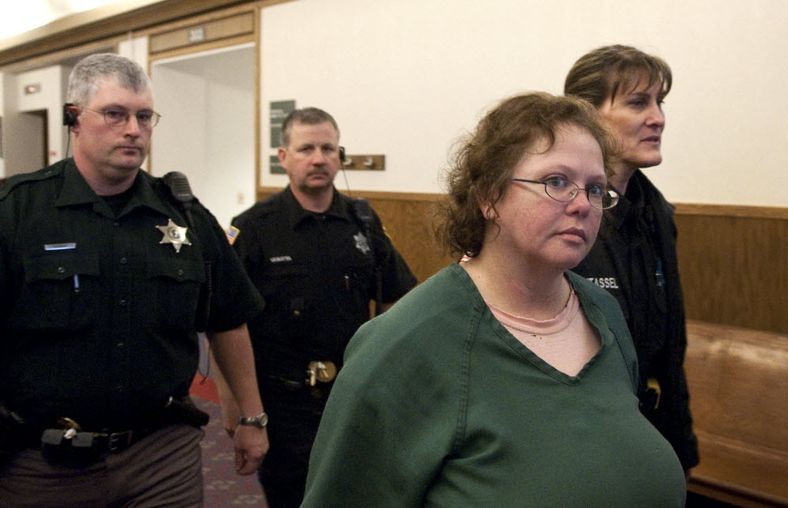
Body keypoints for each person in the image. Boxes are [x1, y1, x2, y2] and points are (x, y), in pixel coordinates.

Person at [302, 92, 686, 506]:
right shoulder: (404, 341)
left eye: (595, 189)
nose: (582, 205)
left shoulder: (603, 313)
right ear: (488, 195)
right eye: (556, 182)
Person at [0, 53, 268, 507]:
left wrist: (252, 417)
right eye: (115, 114)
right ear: (74, 120)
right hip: (43, 462)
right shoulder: (17, 211)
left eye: (144, 116)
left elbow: (229, 319)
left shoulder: (184, 214)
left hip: (161, 454)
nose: (133, 129)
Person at [220, 107, 417, 507]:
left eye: (328, 148)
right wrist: (239, 412)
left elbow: (398, 296)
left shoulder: (361, 221)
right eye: (306, 148)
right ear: (283, 157)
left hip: (351, 397)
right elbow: (224, 322)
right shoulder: (253, 228)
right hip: (283, 403)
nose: (318, 158)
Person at [565, 44, 699, 471]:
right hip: (586, 449)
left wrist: (681, 445)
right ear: (586, 114)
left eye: (660, 102)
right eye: (638, 102)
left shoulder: (655, 210)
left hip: (653, 436)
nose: (658, 118)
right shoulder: (562, 212)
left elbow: (668, 343)